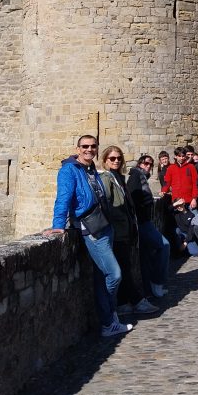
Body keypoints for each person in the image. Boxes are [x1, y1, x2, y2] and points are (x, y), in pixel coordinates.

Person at [44, 135, 133, 338]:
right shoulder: (69, 170)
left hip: (104, 226)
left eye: (93, 147)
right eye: (85, 146)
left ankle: (109, 321)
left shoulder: (91, 169)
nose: (89, 150)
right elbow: (63, 197)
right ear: (77, 148)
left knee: (102, 277)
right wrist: (58, 224)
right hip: (91, 228)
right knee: (114, 274)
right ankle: (109, 315)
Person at [98, 146, 160, 317]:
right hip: (117, 231)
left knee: (125, 266)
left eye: (119, 158)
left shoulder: (118, 177)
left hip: (125, 229)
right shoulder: (106, 178)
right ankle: (136, 301)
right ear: (105, 160)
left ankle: (123, 303)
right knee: (123, 268)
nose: (116, 160)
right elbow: (107, 205)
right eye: (112, 158)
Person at [128, 154, 170, 299]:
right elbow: (132, 198)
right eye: (145, 163)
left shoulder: (141, 177)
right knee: (164, 245)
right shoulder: (135, 177)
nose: (148, 166)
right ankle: (157, 282)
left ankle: (148, 289)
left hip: (145, 221)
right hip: (141, 222)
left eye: (151, 164)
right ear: (140, 164)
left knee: (145, 257)